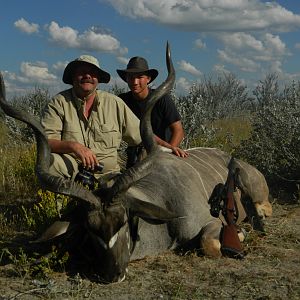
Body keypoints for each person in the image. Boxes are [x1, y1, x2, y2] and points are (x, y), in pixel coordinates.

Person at [41, 55, 142, 183]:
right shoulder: (58, 103)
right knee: (50, 164)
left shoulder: (114, 103)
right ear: (73, 77)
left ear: (98, 79)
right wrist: (74, 146)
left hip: (108, 175)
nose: (87, 76)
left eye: (92, 73)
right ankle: (60, 202)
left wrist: (168, 147)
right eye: (82, 72)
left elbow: (141, 135)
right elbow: (45, 142)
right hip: (72, 173)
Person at [117, 56, 187, 167]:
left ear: (148, 79)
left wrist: (168, 154)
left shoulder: (162, 98)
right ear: (126, 78)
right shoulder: (121, 100)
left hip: (161, 151)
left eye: (140, 77)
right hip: (132, 154)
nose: (135, 82)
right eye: (131, 77)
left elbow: (178, 130)